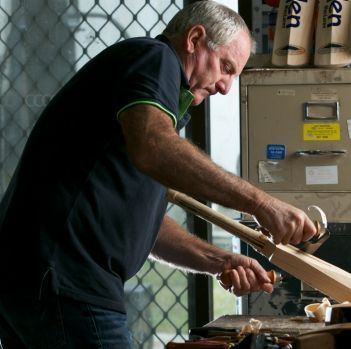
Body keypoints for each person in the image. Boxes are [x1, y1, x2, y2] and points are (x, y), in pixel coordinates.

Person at [0, 1, 317, 348]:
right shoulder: (155, 59)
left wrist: (219, 260)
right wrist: (261, 203)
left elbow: (147, 225)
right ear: (195, 39)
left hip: (31, 281)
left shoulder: (148, 112)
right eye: (225, 67)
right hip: (65, 279)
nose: (225, 87)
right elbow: (154, 145)